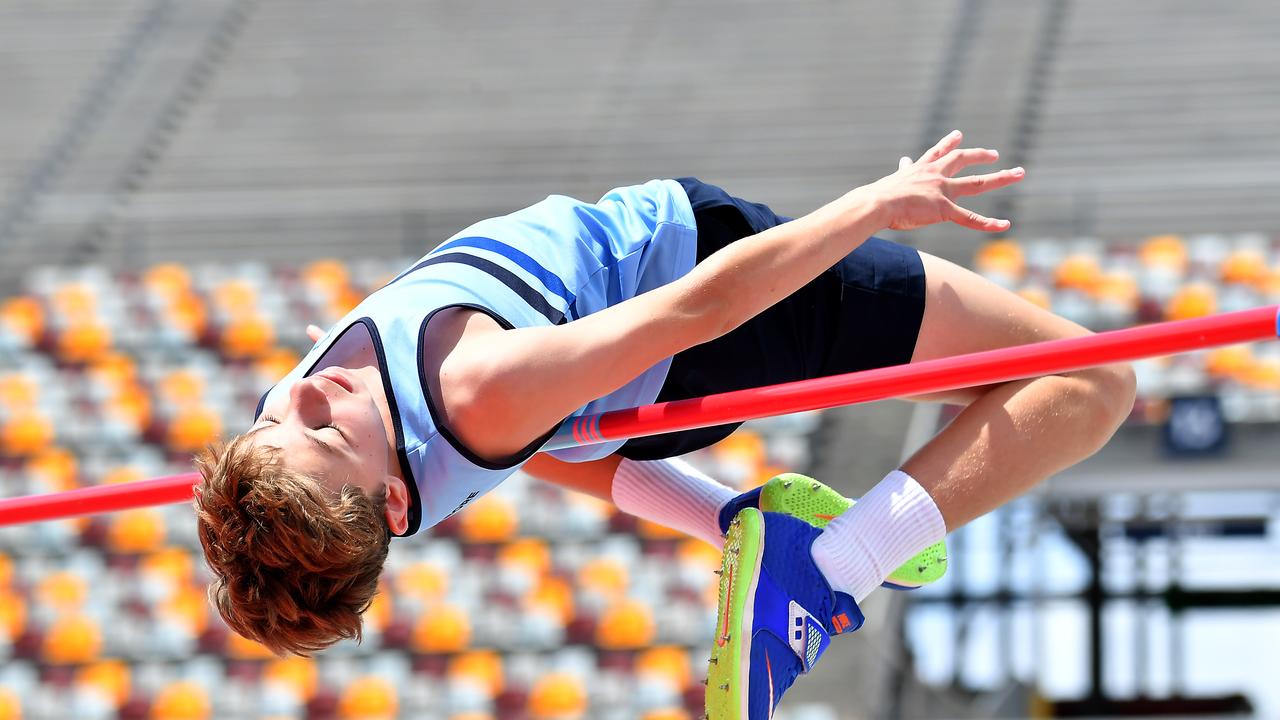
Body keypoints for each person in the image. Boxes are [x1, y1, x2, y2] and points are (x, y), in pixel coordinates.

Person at [192, 130, 1135, 714]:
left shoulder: (312, 438)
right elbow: (699, 308)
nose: (312, 395)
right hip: (706, 289)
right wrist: (870, 207)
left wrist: (714, 517)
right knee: (1091, 385)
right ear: (393, 496)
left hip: (593, 393)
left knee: (518, 433)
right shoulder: (483, 388)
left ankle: (750, 530)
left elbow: (536, 447)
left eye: (285, 417)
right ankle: (829, 569)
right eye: (326, 435)